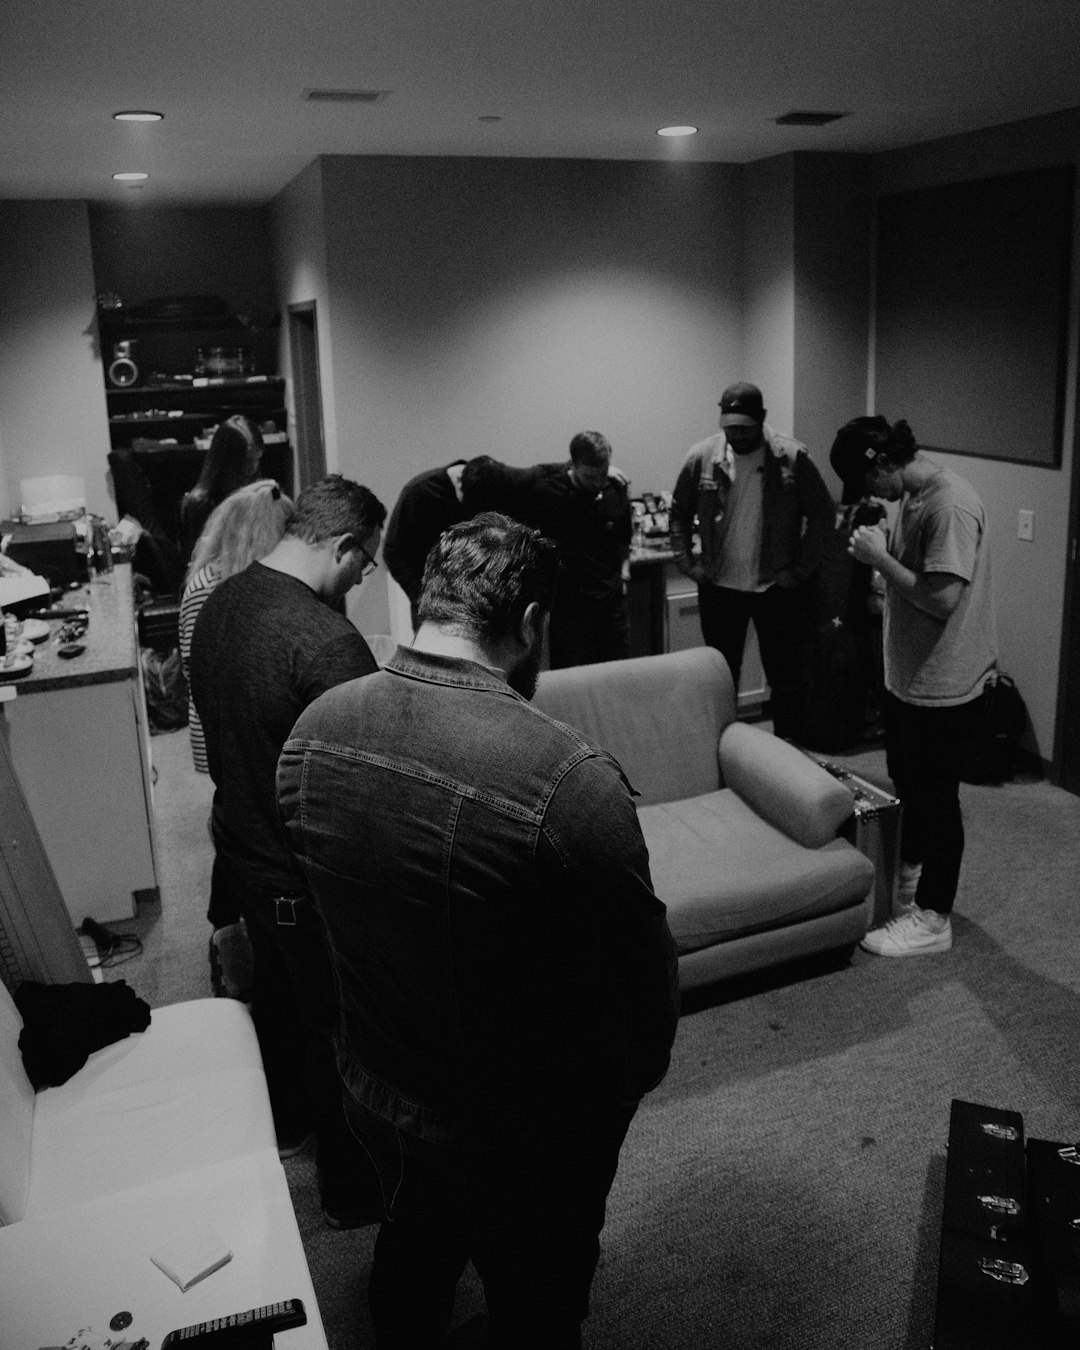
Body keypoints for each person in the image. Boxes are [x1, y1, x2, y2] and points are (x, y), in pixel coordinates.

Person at [277, 512, 680, 1348]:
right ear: (532, 624)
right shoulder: (569, 782)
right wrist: (615, 1099)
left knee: (417, 1239)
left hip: (377, 1080)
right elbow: (642, 997)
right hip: (519, 1129)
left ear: (425, 601)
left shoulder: (312, 731)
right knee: (538, 1299)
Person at [189, 474, 387, 1225]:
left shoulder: (220, 604)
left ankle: (286, 1128)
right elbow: (368, 785)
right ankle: (350, 1190)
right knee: (339, 1031)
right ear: (342, 545)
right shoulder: (326, 642)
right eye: (366, 561)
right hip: (302, 874)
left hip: (241, 847)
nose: (368, 576)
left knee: (275, 1003)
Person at [841, 417, 998, 956]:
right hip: (908, 680)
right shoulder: (910, 495)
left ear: (882, 462)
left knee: (937, 798)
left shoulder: (949, 503)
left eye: (867, 483)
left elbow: (941, 599)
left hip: (944, 683)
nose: (869, 496)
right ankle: (910, 888)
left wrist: (879, 561)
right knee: (908, 784)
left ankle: (934, 917)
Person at [178, 478, 295, 1000]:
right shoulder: (231, 587)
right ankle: (227, 928)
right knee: (243, 817)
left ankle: (224, 927)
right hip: (226, 724)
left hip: (211, 725)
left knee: (235, 809)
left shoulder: (203, 578)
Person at [670, 382, 834, 738]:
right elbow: (677, 514)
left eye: (744, 428)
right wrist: (688, 564)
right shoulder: (703, 457)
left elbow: (823, 515)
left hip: (775, 586)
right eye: (729, 427)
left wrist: (800, 570)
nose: (736, 435)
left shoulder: (791, 458)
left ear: (761, 419)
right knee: (720, 675)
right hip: (719, 585)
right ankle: (723, 749)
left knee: (785, 675)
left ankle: (790, 750)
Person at [382, 455, 543, 628]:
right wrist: (421, 597)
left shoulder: (491, 484)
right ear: (459, 482)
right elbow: (393, 552)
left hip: (476, 605)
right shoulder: (418, 492)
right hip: (432, 604)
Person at [522, 431, 632, 668]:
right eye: (590, 476)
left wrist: (624, 573)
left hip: (611, 607)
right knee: (576, 683)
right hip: (571, 612)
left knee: (618, 674)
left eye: (603, 474)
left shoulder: (615, 489)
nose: (597, 483)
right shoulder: (547, 494)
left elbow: (624, 539)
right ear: (573, 464)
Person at [179, 414, 264, 563]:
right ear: (228, 460)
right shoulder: (201, 504)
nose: (254, 468)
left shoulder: (257, 493)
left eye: (257, 460)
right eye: (248, 461)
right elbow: (198, 562)